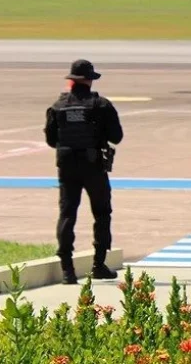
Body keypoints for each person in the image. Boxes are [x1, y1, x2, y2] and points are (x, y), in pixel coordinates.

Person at [44, 59, 123, 284]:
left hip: (67, 165)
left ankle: (67, 269)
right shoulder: (101, 105)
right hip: (93, 165)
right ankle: (98, 264)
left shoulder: (58, 106)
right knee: (101, 213)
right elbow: (116, 136)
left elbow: (51, 140)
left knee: (67, 213)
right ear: (89, 80)